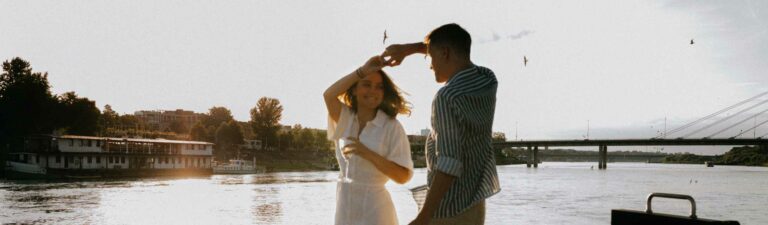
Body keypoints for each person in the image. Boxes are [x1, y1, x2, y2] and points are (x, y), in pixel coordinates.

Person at [383, 23, 501, 225]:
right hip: (474, 203)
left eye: (430, 58)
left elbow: (449, 164)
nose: (430, 65)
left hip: (448, 209)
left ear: (445, 53)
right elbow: (449, 45)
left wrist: (424, 216)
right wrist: (409, 49)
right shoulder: (488, 79)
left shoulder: (447, 97)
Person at [324, 55, 415, 225]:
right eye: (367, 85)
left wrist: (367, 153)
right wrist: (362, 71)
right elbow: (329, 95)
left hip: (376, 211)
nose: (373, 91)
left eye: (379, 87)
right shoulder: (345, 118)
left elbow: (403, 176)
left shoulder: (391, 127)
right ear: (354, 90)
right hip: (345, 208)